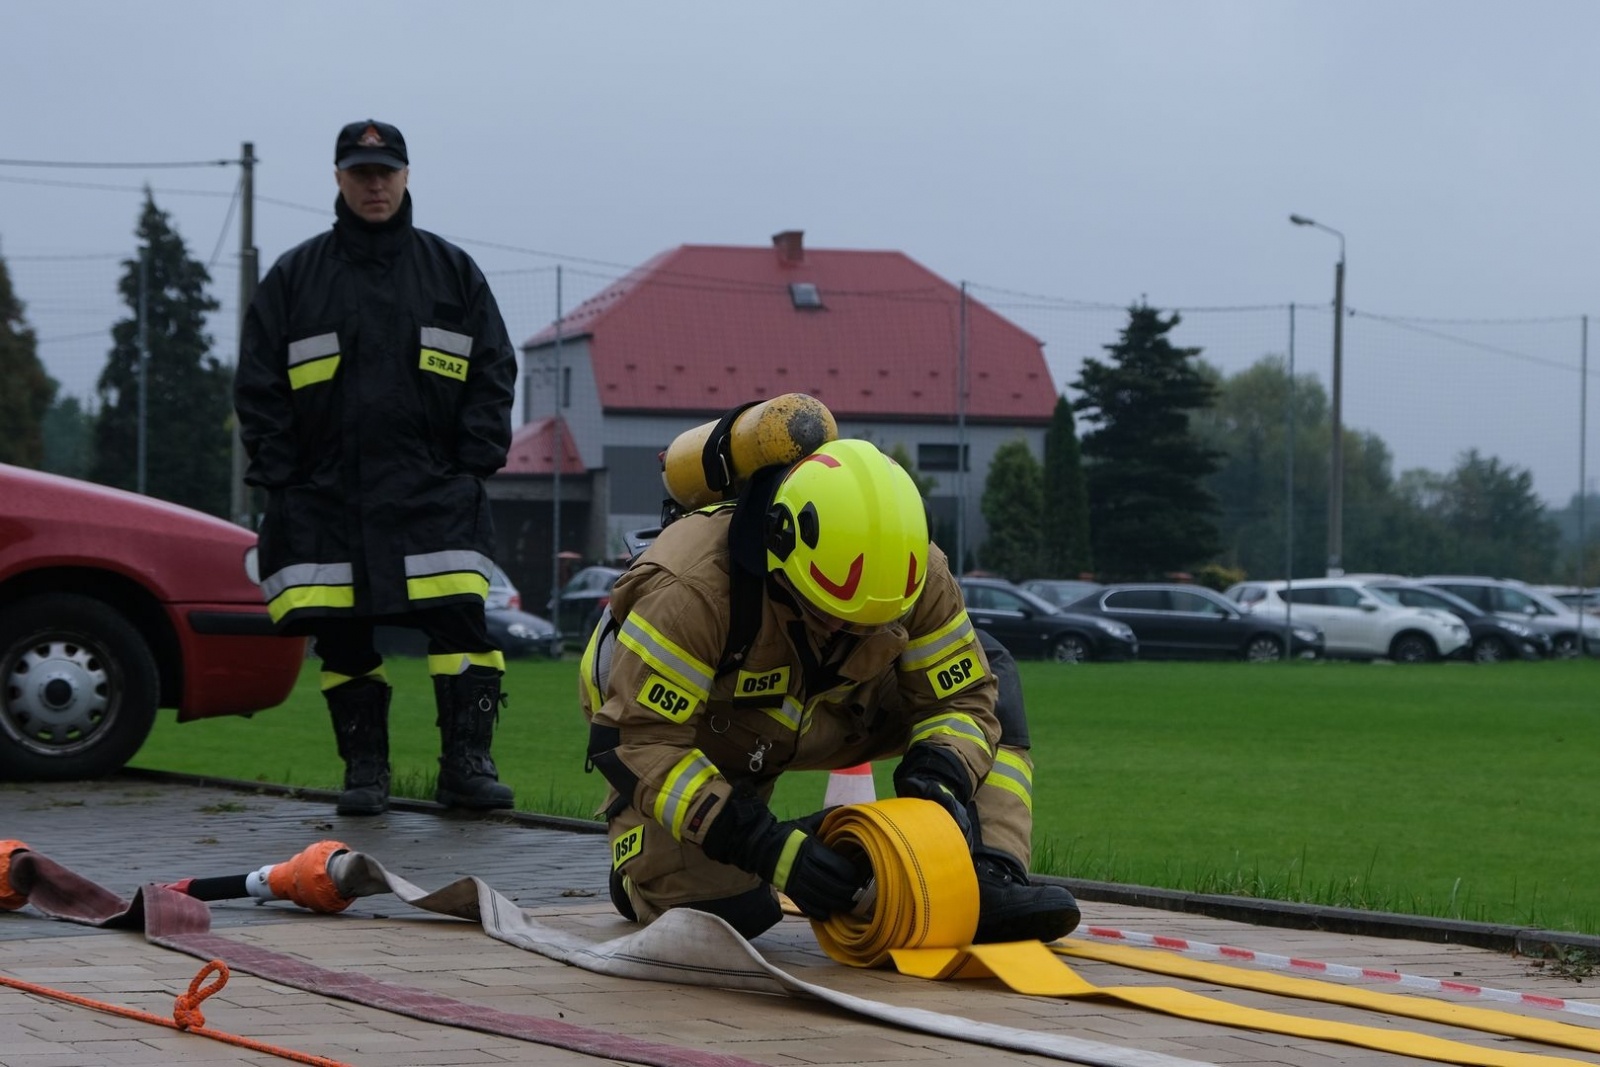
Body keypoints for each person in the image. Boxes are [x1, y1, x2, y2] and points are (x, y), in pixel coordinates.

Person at [579, 437, 1080, 942]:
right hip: (708, 737)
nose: (849, 636)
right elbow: (639, 741)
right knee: (723, 918)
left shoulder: (915, 567)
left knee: (989, 669)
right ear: (780, 552)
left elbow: (960, 698)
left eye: (872, 626)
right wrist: (763, 844)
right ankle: (642, 876)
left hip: (840, 711)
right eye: (829, 619)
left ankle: (990, 876)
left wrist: (942, 776)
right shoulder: (691, 592)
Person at [235, 119, 518, 817]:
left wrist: (469, 460)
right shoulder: (295, 279)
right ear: (338, 179)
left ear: (407, 176)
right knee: (343, 633)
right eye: (361, 173)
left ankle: (467, 767)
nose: (375, 185)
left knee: (461, 626)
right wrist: (284, 474)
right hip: (325, 500)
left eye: (386, 172)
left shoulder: (451, 273)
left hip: (433, 495)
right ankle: (365, 772)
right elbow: (258, 383)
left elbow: (493, 370)